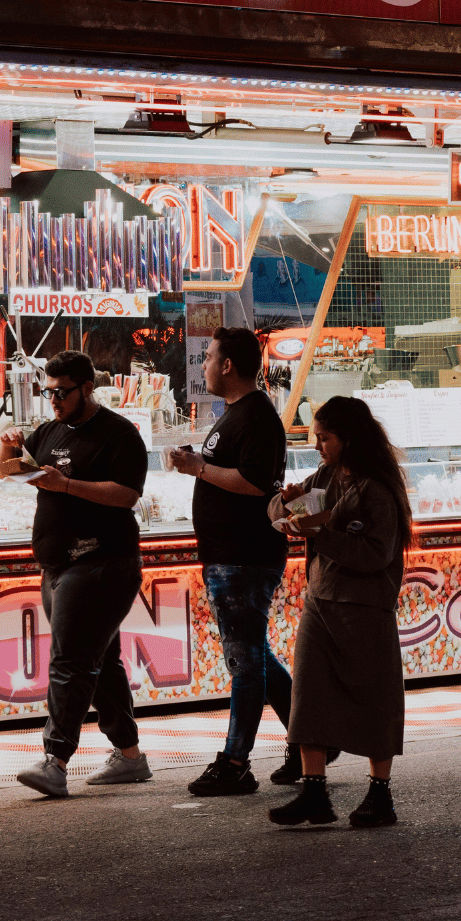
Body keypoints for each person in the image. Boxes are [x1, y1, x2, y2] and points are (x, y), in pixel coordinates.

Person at [0, 348, 152, 799]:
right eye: (49, 393)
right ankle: (129, 757)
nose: (55, 401)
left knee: (69, 660)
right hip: (58, 565)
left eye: (62, 393)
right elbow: (7, 471)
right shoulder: (49, 431)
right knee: (98, 661)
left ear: (88, 388)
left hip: (103, 563)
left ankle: (55, 760)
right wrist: (7, 448)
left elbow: (125, 495)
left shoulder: (119, 435)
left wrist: (65, 485)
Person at [263, 396, 410, 829]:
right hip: (320, 601)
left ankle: (379, 794)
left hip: (364, 607)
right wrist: (284, 503)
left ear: (348, 438)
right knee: (308, 696)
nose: (317, 446)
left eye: (323, 438)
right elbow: (284, 512)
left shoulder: (376, 489)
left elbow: (374, 555)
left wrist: (319, 532)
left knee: (374, 699)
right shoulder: (327, 475)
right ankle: (313, 790)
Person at [168, 326, 298, 795]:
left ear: (227, 365)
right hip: (229, 556)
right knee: (256, 655)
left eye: (208, 357)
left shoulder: (257, 415)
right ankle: (310, 739)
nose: (202, 365)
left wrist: (197, 467)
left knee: (244, 663)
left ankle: (236, 761)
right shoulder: (237, 414)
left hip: (244, 558)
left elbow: (254, 482)